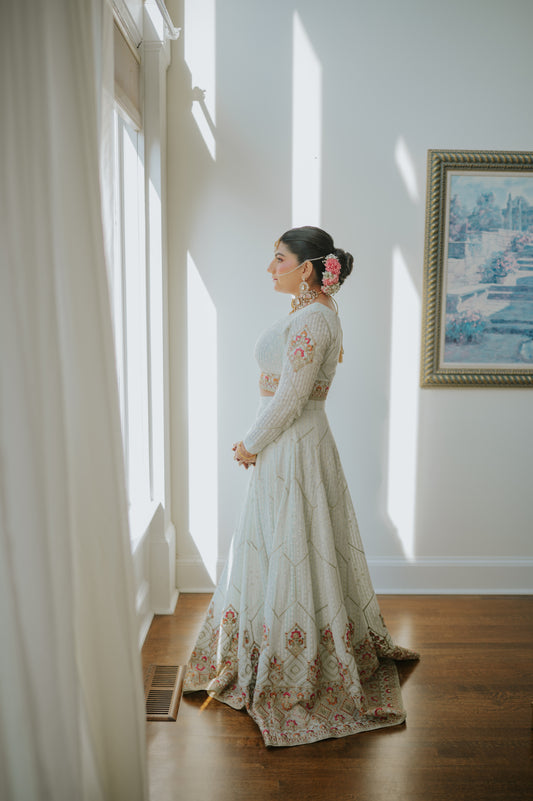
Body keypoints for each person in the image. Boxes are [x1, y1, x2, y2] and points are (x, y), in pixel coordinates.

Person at [182, 226, 419, 747]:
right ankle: (284, 640)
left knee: (294, 541)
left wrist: (249, 443)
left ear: (307, 269)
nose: (271, 268)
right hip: (295, 442)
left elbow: (291, 397)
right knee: (293, 544)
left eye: (278, 259)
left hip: (293, 444)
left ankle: (296, 661)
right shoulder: (314, 312)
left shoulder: (314, 317)